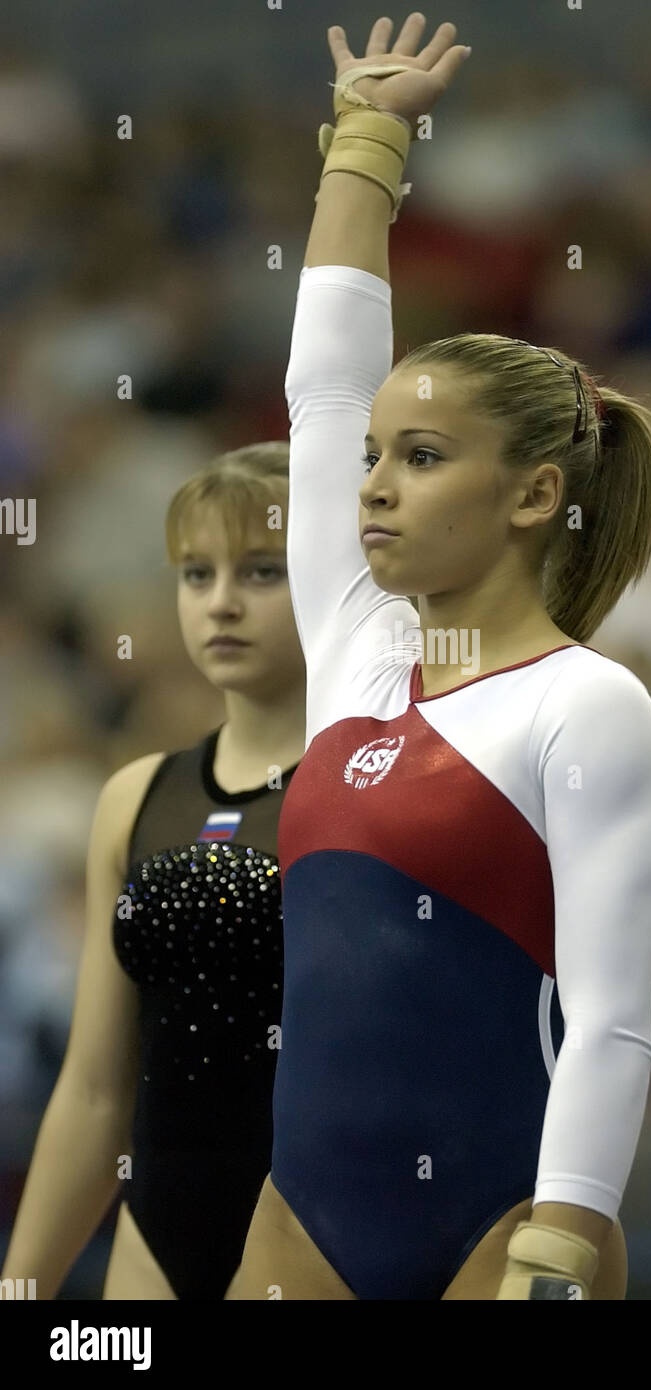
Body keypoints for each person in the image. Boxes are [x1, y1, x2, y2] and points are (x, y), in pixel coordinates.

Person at [231, 13, 651, 1301]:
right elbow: (322, 384)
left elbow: (609, 1020)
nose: (370, 487)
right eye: (373, 458)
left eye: (421, 460)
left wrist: (557, 1243)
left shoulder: (587, 706)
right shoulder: (358, 651)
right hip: (301, 1218)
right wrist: (368, 141)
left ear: (536, 495)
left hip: (503, 1216)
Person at [2, 442, 306, 1300]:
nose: (221, 604)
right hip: (158, 1240)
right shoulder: (134, 800)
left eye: (261, 572)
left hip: (322, 1240)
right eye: (196, 574)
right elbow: (97, 1089)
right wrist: (20, 1291)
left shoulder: (370, 788)